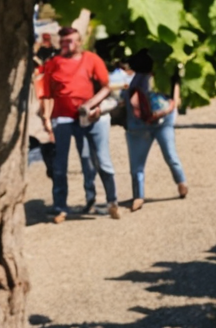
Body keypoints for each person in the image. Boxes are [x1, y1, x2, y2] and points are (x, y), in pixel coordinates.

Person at [37, 25, 120, 221]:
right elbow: (47, 95)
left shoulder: (92, 59)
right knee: (59, 165)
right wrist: (46, 120)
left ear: (80, 41)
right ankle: (60, 207)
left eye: (71, 40)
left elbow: (106, 87)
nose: (68, 44)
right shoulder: (53, 63)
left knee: (96, 161)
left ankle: (109, 201)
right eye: (64, 41)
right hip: (63, 118)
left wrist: (93, 105)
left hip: (89, 117)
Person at [121, 55, 188, 210]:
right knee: (137, 164)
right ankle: (138, 196)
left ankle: (181, 182)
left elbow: (174, 100)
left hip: (162, 122)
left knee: (170, 155)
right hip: (139, 125)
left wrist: (166, 111)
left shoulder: (165, 76)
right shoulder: (137, 80)